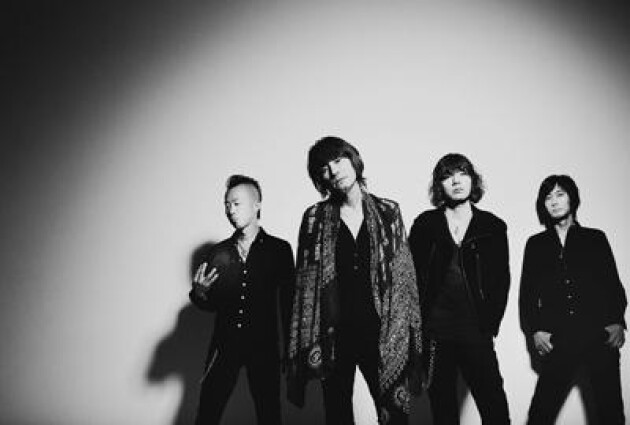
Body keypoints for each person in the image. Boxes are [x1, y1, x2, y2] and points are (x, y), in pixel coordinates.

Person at [287, 136, 422, 425]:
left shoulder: (388, 212)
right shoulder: (314, 218)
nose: (334, 171)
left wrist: (403, 331)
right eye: (324, 168)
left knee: (395, 416)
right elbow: (304, 286)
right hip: (334, 335)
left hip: (382, 332)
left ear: (353, 160)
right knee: (337, 415)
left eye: (338, 161)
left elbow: (404, 278)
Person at [408, 153, 511, 425]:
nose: (456, 181)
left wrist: (489, 324)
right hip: (435, 334)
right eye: (447, 176)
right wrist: (418, 328)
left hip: (475, 331)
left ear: (472, 180)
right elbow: (410, 278)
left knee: (495, 409)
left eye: (462, 173)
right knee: (443, 412)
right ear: (439, 185)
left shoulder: (492, 226)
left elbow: (501, 280)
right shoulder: (425, 225)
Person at [519, 174, 626, 425]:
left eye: (560, 194)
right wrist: (536, 330)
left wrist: (617, 321)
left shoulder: (595, 238)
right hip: (558, 338)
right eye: (548, 197)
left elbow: (613, 285)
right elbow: (527, 295)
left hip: (598, 336)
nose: (554, 201)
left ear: (572, 199)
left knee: (610, 412)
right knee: (540, 415)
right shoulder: (536, 244)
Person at [189, 174, 295, 425]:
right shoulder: (218, 252)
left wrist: (291, 349)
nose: (230, 210)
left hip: (264, 346)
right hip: (224, 346)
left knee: (269, 414)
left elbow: (289, 302)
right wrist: (200, 292)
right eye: (227, 205)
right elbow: (211, 304)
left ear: (257, 205)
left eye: (236, 203)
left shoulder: (279, 250)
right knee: (207, 413)